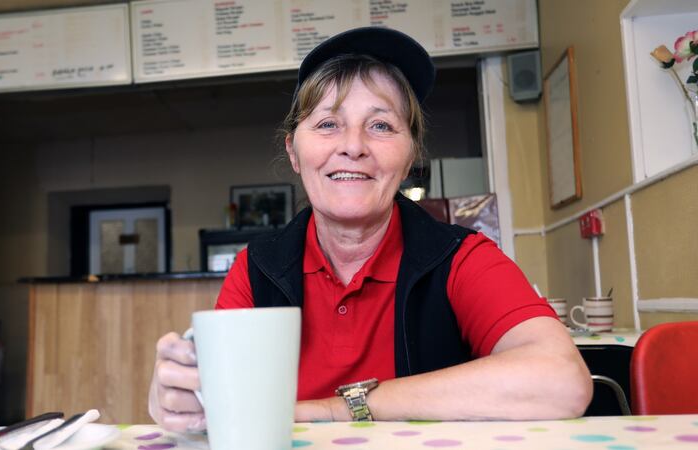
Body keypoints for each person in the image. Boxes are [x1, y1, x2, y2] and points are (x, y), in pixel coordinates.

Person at [149, 27, 592, 432]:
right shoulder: (258, 269)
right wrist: (175, 398)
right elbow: (218, 399)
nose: (353, 146)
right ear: (295, 153)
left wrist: (337, 408)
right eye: (328, 124)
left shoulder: (461, 259)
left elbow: (563, 380)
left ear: (409, 158)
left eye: (380, 125)